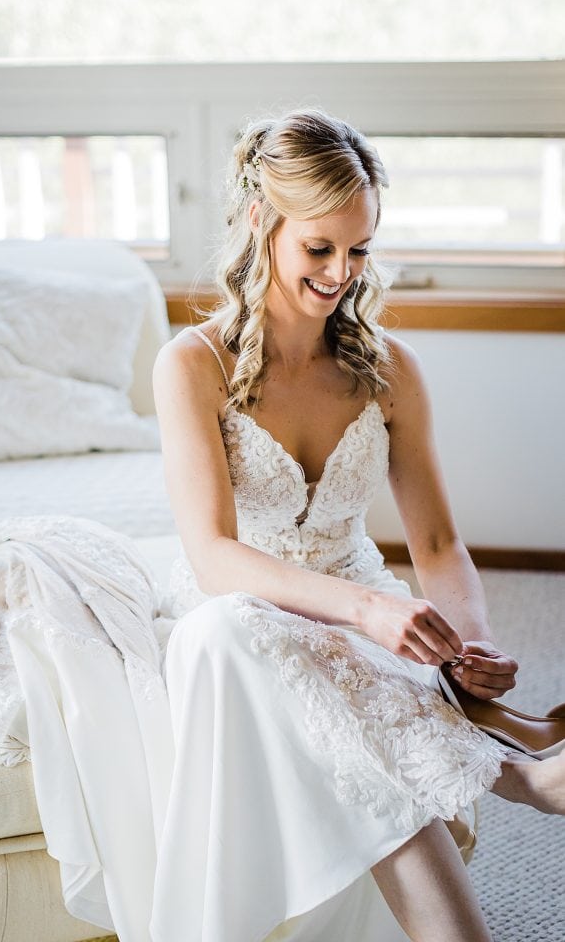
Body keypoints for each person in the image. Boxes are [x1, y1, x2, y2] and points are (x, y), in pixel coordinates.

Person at [151, 106, 565, 942]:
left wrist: (469, 646)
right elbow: (211, 555)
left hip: (358, 591)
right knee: (231, 632)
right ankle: (512, 765)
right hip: (249, 594)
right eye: (320, 247)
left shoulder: (387, 370)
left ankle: (492, 741)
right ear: (260, 221)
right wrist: (370, 613)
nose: (342, 271)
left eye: (360, 249)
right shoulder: (192, 363)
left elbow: (438, 545)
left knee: (372, 661)